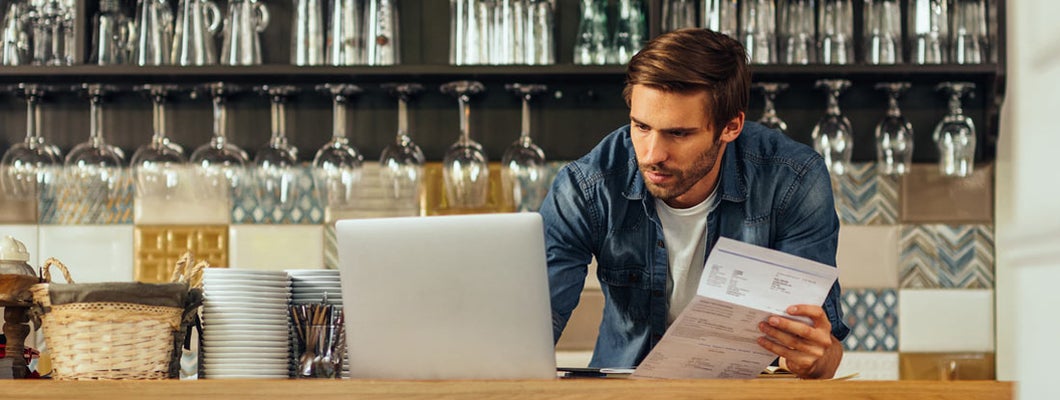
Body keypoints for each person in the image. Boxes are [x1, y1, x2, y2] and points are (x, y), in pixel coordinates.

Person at [539, 28, 849, 380]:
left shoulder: (793, 179)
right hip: (623, 390)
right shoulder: (586, 186)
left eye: (678, 133)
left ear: (730, 127)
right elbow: (531, 329)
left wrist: (813, 357)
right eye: (640, 127)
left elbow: (823, 356)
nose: (652, 155)